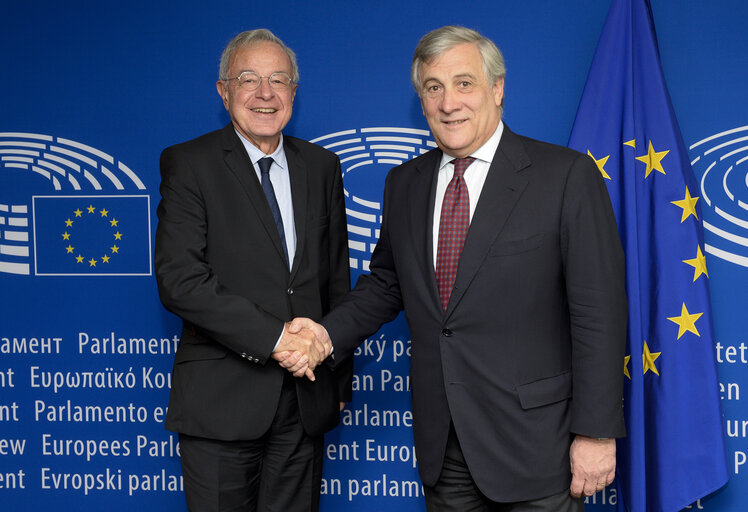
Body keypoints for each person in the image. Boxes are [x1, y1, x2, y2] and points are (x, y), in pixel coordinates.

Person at [282, 25, 627, 511]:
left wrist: (595, 433)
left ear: (497, 89)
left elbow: (599, 315)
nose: (449, 103)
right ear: (421, 100)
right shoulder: (404, 183)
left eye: (464, 83)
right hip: (444, 448)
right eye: (433, 87)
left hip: (536, 447)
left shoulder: (564, 176)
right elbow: (386, 284)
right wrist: (323, 336)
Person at [154, 28, 352, 512]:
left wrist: (337, 379)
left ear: (294, 93)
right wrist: (277, 339)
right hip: (221, 402)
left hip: (305, 400)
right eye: (249, 79)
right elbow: (181, 280)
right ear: (224, 91)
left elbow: (334, 280)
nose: (265, 94)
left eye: (278, 80)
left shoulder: (322, 166)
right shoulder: (189, 163)